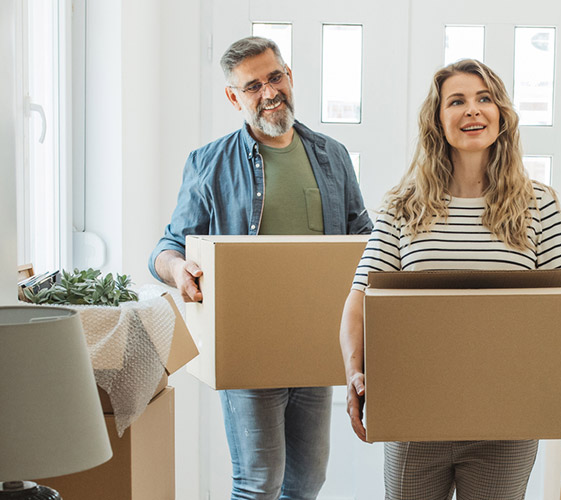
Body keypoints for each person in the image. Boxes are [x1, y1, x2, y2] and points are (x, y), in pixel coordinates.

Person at [337, 59, 561, 499]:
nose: (472, 110)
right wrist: (354, 372)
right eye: (457, 101)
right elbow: (360, 299)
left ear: (501, 116)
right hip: (415, 415)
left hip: (507, 421)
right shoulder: (403, 206)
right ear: (438, 121)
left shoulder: (539, 205)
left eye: (484, 99)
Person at [150, 36, 372, 500]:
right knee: (258, 483)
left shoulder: (333, 156)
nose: (269, 92)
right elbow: (168, 247)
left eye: (275, 77)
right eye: (253, 86)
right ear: (234, 98)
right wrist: (177, 270)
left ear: (290, 76)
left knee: (308, 481)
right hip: (248, 346)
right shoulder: (208, 163)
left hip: (316, 344)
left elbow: (364, 239)